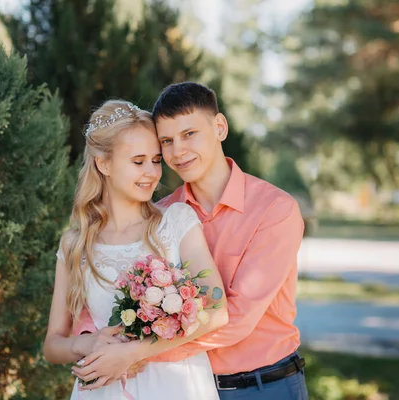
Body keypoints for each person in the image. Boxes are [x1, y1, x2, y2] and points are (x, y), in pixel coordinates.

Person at [72, 83, 309, 399]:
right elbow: (110, 281)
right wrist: (93, 340)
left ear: (219, 127)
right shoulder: (162, 216)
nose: (178, 151)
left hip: (263, 386)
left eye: (189, 134)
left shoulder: (274, 210)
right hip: (188, 386)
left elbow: (236, 318)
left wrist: (135, 353)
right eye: (167, 141)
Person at [43, 100, 229, 399]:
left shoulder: (176, 222)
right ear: (104, 164)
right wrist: (86, 345)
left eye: (156, 160)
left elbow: (217, 310)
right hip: (104, 390)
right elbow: (53, 345)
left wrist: (132, 353)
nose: (152, 173)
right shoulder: (75, 243)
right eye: (138, 161)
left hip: (176, 386)